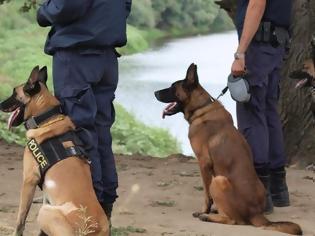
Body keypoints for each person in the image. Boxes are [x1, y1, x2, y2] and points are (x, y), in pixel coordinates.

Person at [37, 0, 132, 222]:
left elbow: (66, 6)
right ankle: (105, 204)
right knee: (100, 132)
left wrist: (43, 11)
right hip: (106, 58)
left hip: (77, 56)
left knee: (79, 133)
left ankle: (89, 209)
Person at [231, 0, 292, 213]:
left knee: (252, 112)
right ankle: (278, 189)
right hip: (275, 44)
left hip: (259, 45)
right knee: (268, 111)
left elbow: (257, 3)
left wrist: (240, 53)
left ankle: (258, 192)